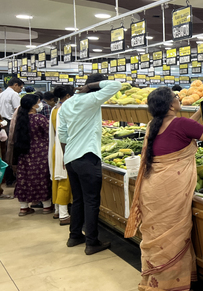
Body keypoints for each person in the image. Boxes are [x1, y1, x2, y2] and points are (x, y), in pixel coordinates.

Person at [125, 87, 203, 291]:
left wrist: (199, 113)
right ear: (170, 104)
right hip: (171, 192)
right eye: (175, 97)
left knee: (156, 237)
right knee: (173, 238)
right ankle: (169, 290)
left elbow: (182, 129)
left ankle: (155, 282)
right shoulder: (181, 124)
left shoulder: (154, 124)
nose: (178, 98)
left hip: (153, 190)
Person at [58, 74, 122, 255]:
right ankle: (92, 242)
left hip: (71, 157)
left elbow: (62, 134)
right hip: (87, 156)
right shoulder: (92, 99)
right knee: (92, 201)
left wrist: (65, 157)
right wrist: (91, 87)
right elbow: (116, 85)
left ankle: (75, 235)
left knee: (78, 199)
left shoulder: (66, 104)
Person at [13, 94, 52, 216]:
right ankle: (46, 206)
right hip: (41, 153)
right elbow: (50, 132)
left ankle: (23, 208)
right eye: (39, 101)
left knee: (24, 179)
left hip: (24, 153)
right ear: (33, 105)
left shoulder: (20, 120)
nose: (40, 104)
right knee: (42, 178)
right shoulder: (39, 119)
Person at [49, 85, 74, 225]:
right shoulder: (65, 109)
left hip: (56, 147)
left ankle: (57, 210)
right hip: (63, 148)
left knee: (57, 179)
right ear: (68, 96)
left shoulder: (55, 108)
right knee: (64, 180)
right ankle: (64, 215)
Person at [0, 77, 24, 186]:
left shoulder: (2, 94)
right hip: (11, 123)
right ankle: (11, 179)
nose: (20, 90)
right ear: (15, 85)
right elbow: (18, 111)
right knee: (12, 152)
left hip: (2, 124)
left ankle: (6, 178)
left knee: (4, 152)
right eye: (20, 87)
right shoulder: (14, 94)